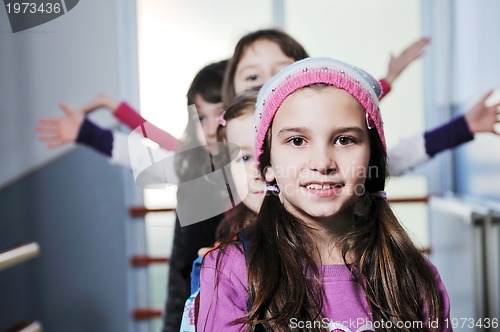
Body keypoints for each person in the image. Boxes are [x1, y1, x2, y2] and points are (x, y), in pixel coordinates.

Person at [198, 57, 452, 332]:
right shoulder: (231, 270)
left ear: (372, 159)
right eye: (297, 141)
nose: (322, 162)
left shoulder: (414, 274)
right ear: (268, 165)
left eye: (344, 140)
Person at [36, 60, 229, 332]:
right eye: (200, 117)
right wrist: (88, 132)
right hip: (187, 304)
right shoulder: (190, 166)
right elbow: (141, 153)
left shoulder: (252, 175)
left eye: (220, 114)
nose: (210, 128)